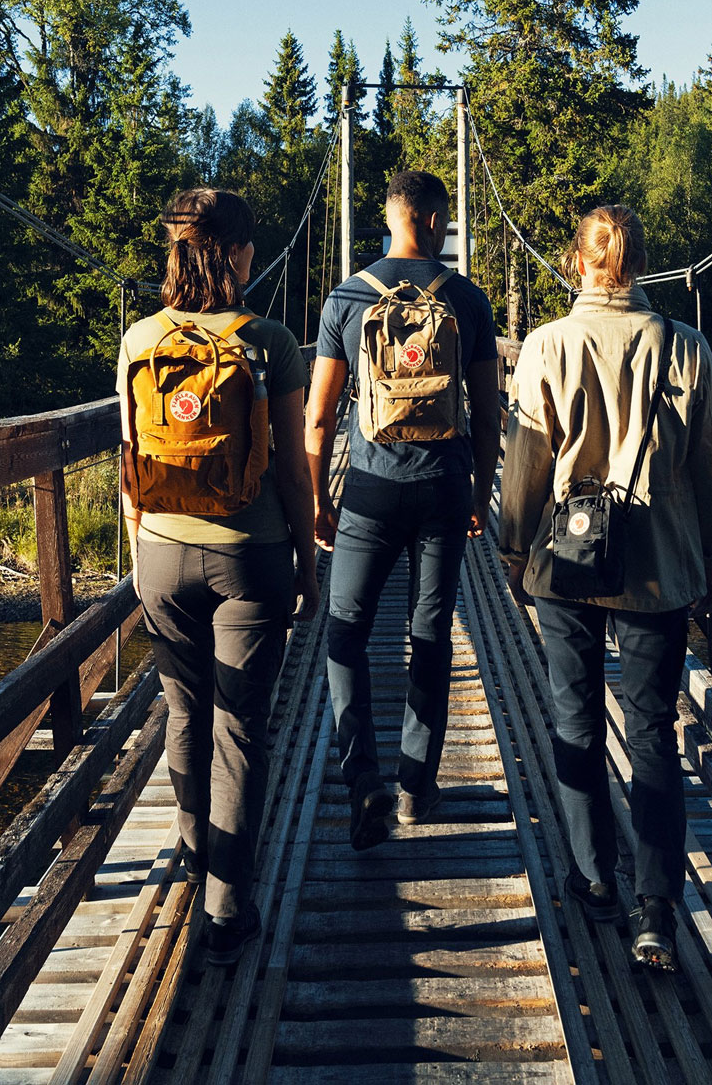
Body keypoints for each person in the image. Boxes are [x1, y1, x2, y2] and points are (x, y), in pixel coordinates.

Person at [499, 204, 712, 972]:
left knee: (575, 720)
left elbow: (527, 466)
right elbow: (709, 472)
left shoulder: (546, 345)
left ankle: (595, 878)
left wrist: (512, 548)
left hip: (567, 562)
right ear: (639, 261)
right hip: (661, 565)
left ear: (578, 262)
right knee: (654, 730)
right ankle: (657, 907)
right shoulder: (686, 347)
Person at [117, 188, 318, 966]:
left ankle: (202, 859)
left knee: (183, 714)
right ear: (237, 253)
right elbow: (298, 473)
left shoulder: (139, 337)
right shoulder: (269, 337)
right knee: (240, 728)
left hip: (162, 551)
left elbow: (131, 452)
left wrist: (140, 552)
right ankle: (229, 909)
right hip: (250, 553)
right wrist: (305, 558)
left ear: (174, 252)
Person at [306, 171, 501, 850]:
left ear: (389, 220)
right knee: (430, 633)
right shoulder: (468, 299)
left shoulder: (348, 297)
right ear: (439, 222)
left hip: (369, 490)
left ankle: (364, 782)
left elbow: (318, 416)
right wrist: (480, 492)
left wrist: (315, 500)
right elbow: (489, 413)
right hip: (445, 487)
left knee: (344, 633)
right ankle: (417, 786)